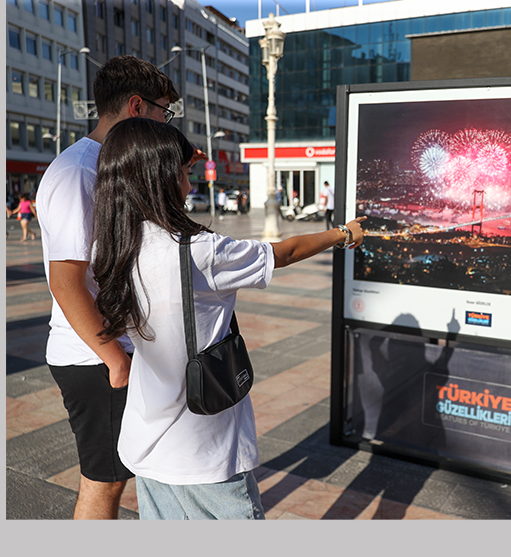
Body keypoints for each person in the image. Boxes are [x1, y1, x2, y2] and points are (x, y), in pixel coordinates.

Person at [91, 118, 365, 519]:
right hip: (203, 448)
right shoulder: (200, 252)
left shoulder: (111, 248)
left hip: (145, 441)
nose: (189, 187)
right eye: (184, 174)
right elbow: (283, 253)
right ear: (158, 178)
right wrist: (343, 232)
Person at [35, 54, 180, 519]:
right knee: (104, 485)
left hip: (116, 348)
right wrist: (115, 360)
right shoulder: (79, 171)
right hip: (95, 355)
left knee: (123, 478)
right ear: (137, 106)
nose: (167, 121)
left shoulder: (112, 164)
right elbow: (65, 280)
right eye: (165, 111)